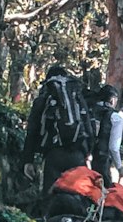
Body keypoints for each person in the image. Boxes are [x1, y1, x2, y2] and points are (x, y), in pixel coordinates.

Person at [22, 65, 95, 198]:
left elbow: (32, 132)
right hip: (77, 153)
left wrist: (28, 160)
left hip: (53, 154)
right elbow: (89, 127)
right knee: (78, 195)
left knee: (51, 197)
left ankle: (49, 217)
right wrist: (88, 152)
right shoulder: (77, 98)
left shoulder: (43, 100)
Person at [90, 83, 123, 186]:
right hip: (101, 160)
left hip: (82, 156)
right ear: (112, 100)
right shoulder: (115, 117)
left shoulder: (89, 111)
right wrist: (119, 167)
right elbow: (113, 147)